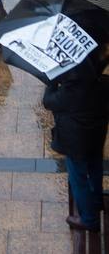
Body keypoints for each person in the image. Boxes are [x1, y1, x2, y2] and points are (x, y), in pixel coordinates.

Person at [43, 55, 109, 232]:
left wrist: (52, 81)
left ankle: (89, 219)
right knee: (95, 167)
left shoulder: (68, 91)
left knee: (78, 177)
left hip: (75, 141)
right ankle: (97, 201)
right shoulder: (102, 82)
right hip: (97, 135)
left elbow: (48, 101)